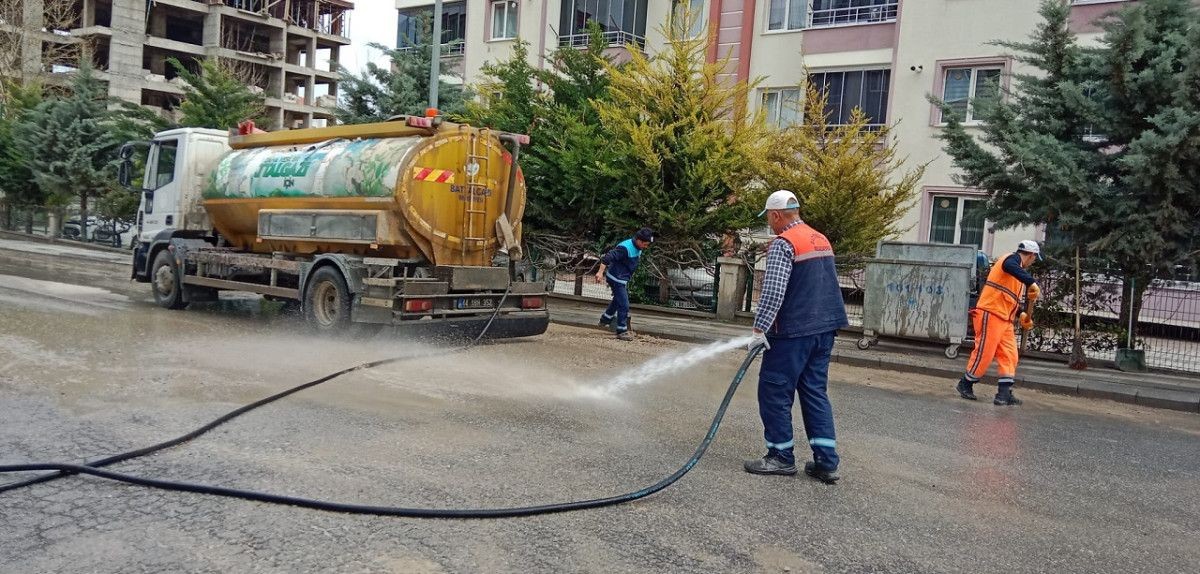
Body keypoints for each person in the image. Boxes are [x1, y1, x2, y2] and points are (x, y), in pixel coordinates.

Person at [744, 190, 848, 483]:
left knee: (774, 390)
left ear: (776, 215)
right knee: (815, 392)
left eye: (768, 217)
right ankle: (826, 462)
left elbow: (774, 291)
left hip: (792, 333)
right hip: (824, 330)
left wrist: (759, 330)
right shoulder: (819, 238)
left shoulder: (784, 243)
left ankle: (780, 456)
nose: (769, 223)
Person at [956, 240, 1042, 406]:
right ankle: (965, 383)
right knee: (985, 353)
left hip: (1005, 319)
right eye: (1034, 259)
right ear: (1032, 255)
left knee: (1010, 355)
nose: (1033, 262)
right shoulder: (1010, 260)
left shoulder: (1017, 273)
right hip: (991, 313)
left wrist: (1021, 314)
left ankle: (1004, 394)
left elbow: (1008, 298)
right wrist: (1031, 282)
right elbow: (1010, 266)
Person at [595, 227, 654, 341]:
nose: (646, 247)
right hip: (616, 279)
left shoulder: (637, 246)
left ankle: (605, 319)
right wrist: (600, 272)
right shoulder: (625, 248)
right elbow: (607, 257)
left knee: (618, 299)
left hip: (621, 278)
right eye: (645, 244)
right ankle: (621, 331)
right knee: (624, 304)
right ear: (639, 240)